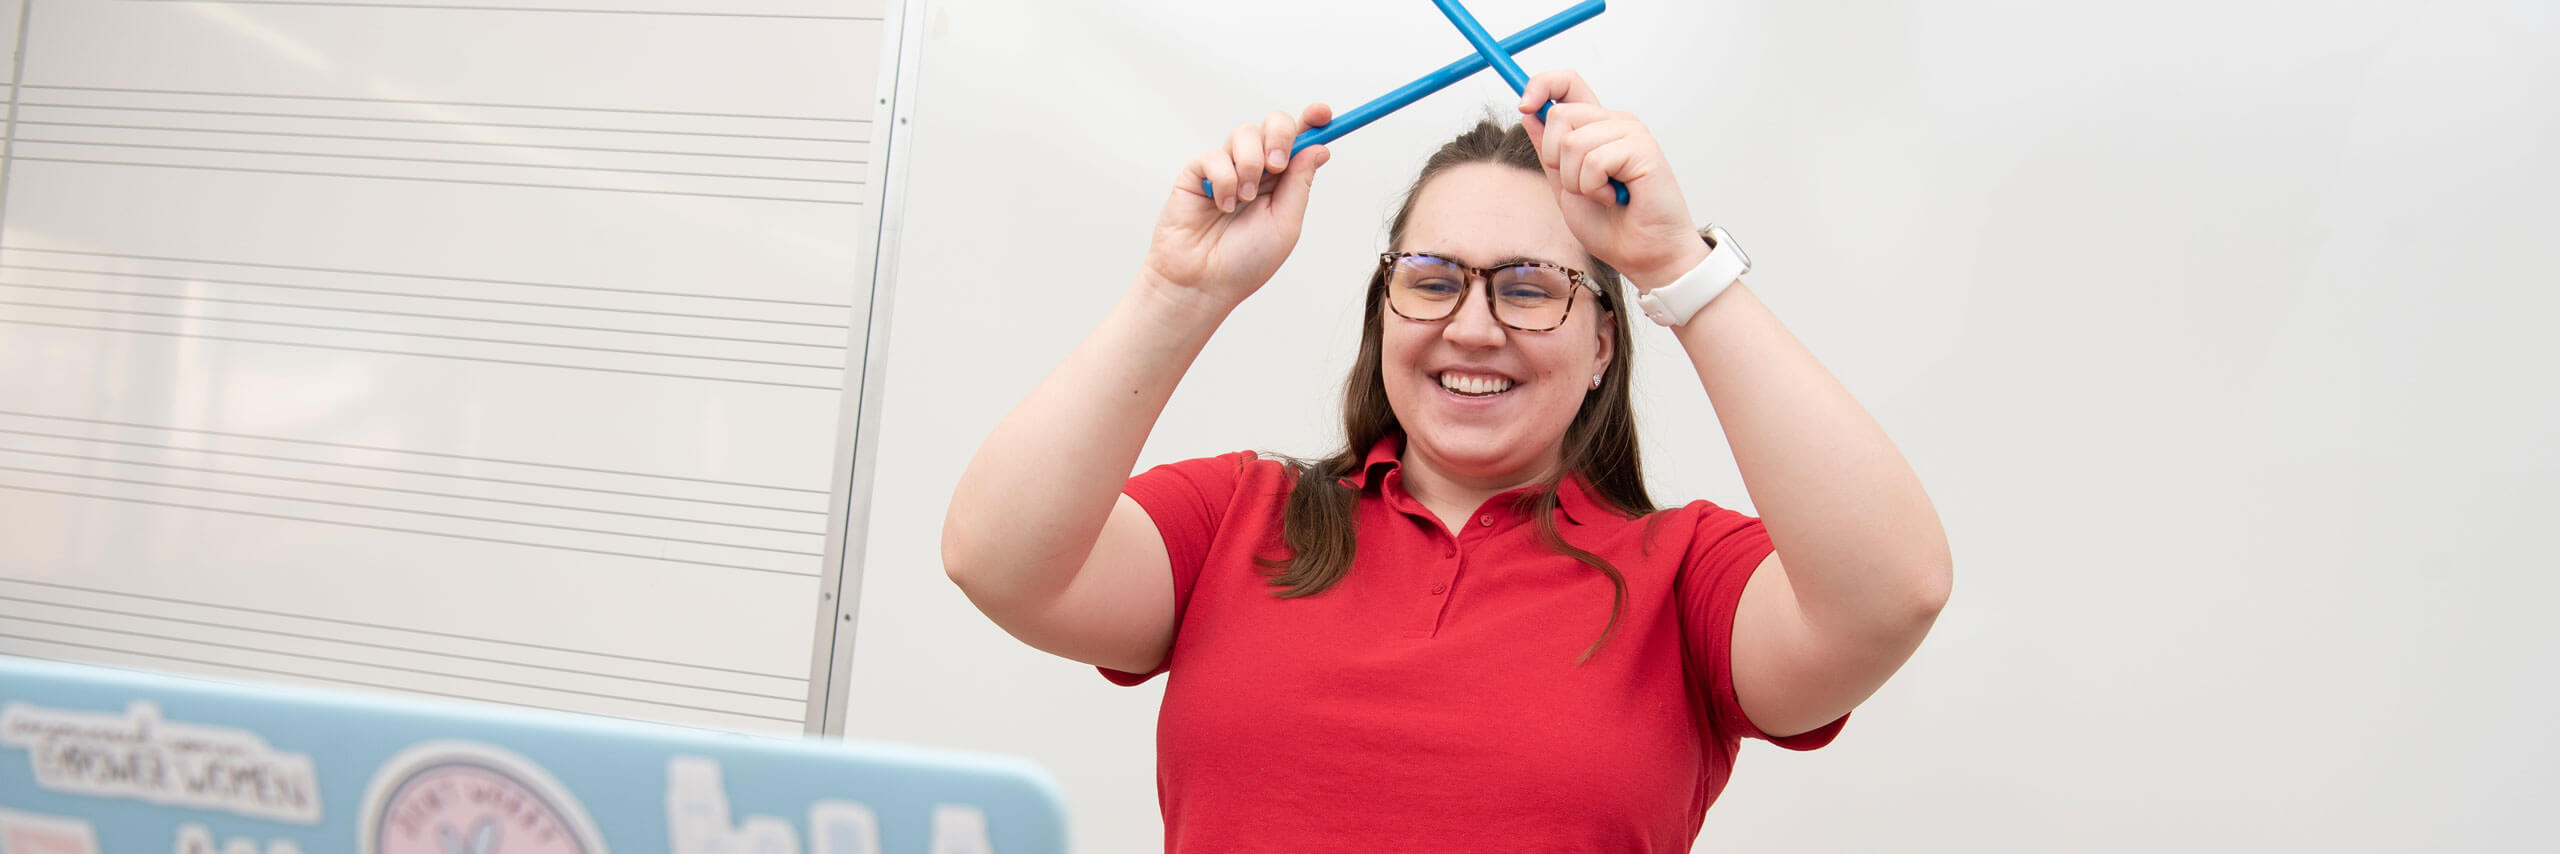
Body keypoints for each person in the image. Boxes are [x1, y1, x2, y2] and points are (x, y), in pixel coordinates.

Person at [943, 70, 1951, 852]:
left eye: (1526, 286)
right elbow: (995, 555)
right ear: (1386, 310)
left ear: (1603, 340)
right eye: (1430, 279)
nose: (1471, 326)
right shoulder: (1237, 516)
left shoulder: (1684, 577)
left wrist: (1676, 264)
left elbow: (1892, 591)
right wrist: (1180, 287)